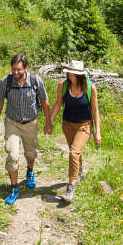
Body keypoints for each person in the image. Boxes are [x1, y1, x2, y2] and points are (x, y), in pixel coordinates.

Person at [0, 52, 49, 207]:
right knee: (13, 155)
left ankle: (30, 171)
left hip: (31, 123)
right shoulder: (6, 82)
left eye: (19, 70)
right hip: (12, 123)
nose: (15, 73)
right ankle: (14, 188)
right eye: (13, 69)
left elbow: (44, 101)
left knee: (30, 153)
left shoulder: (35, 81)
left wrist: (48, 122)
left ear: (26, 68)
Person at [44, 60, 101, 205]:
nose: (71, 75)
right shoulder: (62, 86)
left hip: (84, 126)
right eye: (69, 72)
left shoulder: (90, 88)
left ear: (80, 74)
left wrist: (97, 132)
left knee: (74, 152)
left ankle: (71, 188)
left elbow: (95, 110)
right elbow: (58, 104)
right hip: (67, 125)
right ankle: (80, 169)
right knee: (75, 151)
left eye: (74, 73)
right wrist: (49, 122)